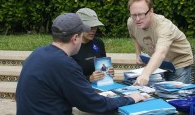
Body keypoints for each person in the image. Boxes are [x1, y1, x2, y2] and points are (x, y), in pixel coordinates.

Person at [16, 13, 145, 115]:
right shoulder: (64, 64)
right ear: (75, 38)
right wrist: (130, 98)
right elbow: (94, 104)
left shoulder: (37, 53)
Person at [127, 0, 193, 86]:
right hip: (160, 64)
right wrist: (138, 54)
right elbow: (135, 36)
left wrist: (145, 74)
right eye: (134, 15)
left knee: (175, 97)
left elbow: (160, 53)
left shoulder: (164, 26)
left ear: (151, 12)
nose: (137, 19)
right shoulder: (131, 22)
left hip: (178, 63)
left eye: (141, 14)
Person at [72, 7, 114, 82]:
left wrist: (108, 73)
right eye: (90, 27)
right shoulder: (71, 47)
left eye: (95, 27)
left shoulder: (98, 43)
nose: (93, 30)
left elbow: (103, 65)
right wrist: (89, 78)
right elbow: (69, 78)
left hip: (101, 86)